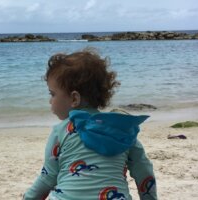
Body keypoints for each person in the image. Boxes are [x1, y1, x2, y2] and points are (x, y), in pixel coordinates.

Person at [24, 48, 157, 200]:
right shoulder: (124, 131)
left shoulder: (59, 131)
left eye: (52, 94)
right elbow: (144, 171)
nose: (50, 100)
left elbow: (48, 177)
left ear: (74, 98)